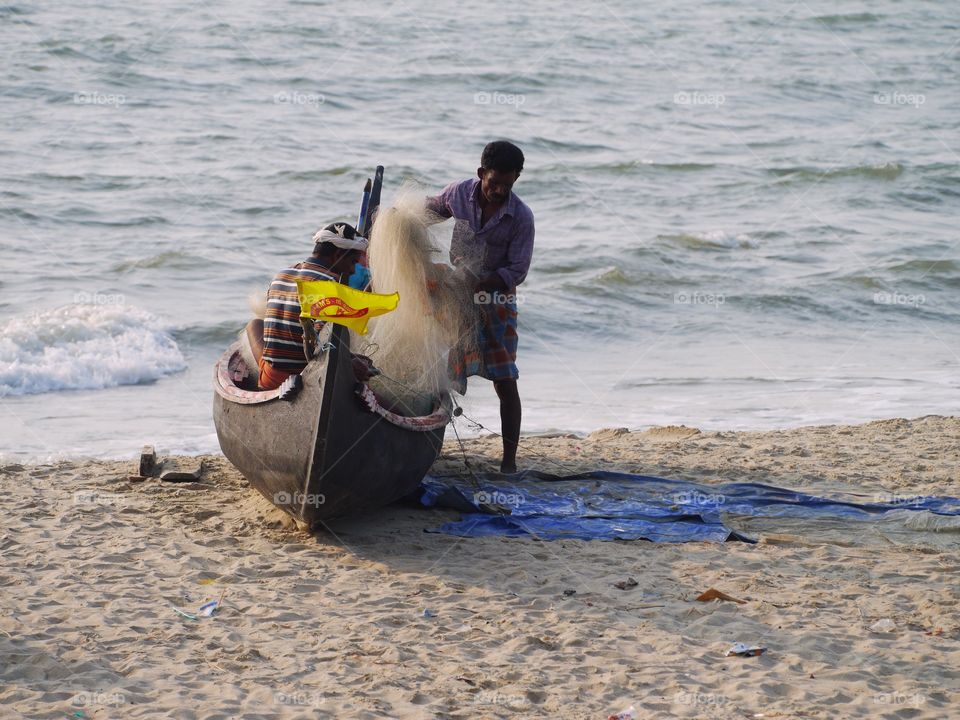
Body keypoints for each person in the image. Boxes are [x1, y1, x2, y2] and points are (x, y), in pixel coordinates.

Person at [425, 140, 535, 473]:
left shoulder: (521, 218)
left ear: (516, 179)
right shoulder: (458, 194)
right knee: (437, 374)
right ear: (480, 173)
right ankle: (428, 450)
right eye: (493, 182)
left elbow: (517, 271)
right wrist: (395, 221)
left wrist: (478, 282)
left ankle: (509, 462)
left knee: (504, 380)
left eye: (507, 184)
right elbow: (428, 211)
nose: (500, 190)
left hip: (495, 302)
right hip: (454, 298)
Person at [246, 222, 374, 390]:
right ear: (337, 255)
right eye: (352, 262)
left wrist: (349, 357)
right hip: (307, 380)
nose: (351, 270)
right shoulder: (330, 285)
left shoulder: (281, 274)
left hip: (270, 379)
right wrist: (351, 365)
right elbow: (320, 347)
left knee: (254, 324)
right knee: (386, 406)